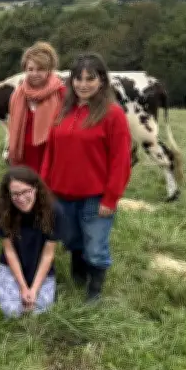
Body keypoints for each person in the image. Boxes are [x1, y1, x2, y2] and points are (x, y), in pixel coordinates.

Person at [41, 52, 132, 301]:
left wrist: (111, 198)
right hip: (61, 193)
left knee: (95, 247)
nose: (83, 84)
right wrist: (45, 187)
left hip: (95, 196)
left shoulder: (113, 115)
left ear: (101, 80)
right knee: (72, 241)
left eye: (90, 79)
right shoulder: (63, 111)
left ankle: (94, 293)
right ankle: (78, 281)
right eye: (78, 79)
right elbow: (51, 151)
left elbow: (120, 160)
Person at [0, 166, 61, 318]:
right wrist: (23, 287)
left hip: (40, 267)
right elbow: (9, 251)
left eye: (26, 191)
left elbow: (48, 255)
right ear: (8, 194)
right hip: (11, 266)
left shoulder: (54, 211)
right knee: (12, 312)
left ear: (35, 188)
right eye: (15, 194)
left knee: (41, 312)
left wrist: (33, 289)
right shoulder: (2, 211)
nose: (21, 198)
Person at [6, 41, 67, 175]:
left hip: (51, 156)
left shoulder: (61, 93)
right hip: (24, 157)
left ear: (49, 70)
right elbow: (12, 127)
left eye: (40, 69)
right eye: (30, 69)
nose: (34, 73)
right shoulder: (18, 95)